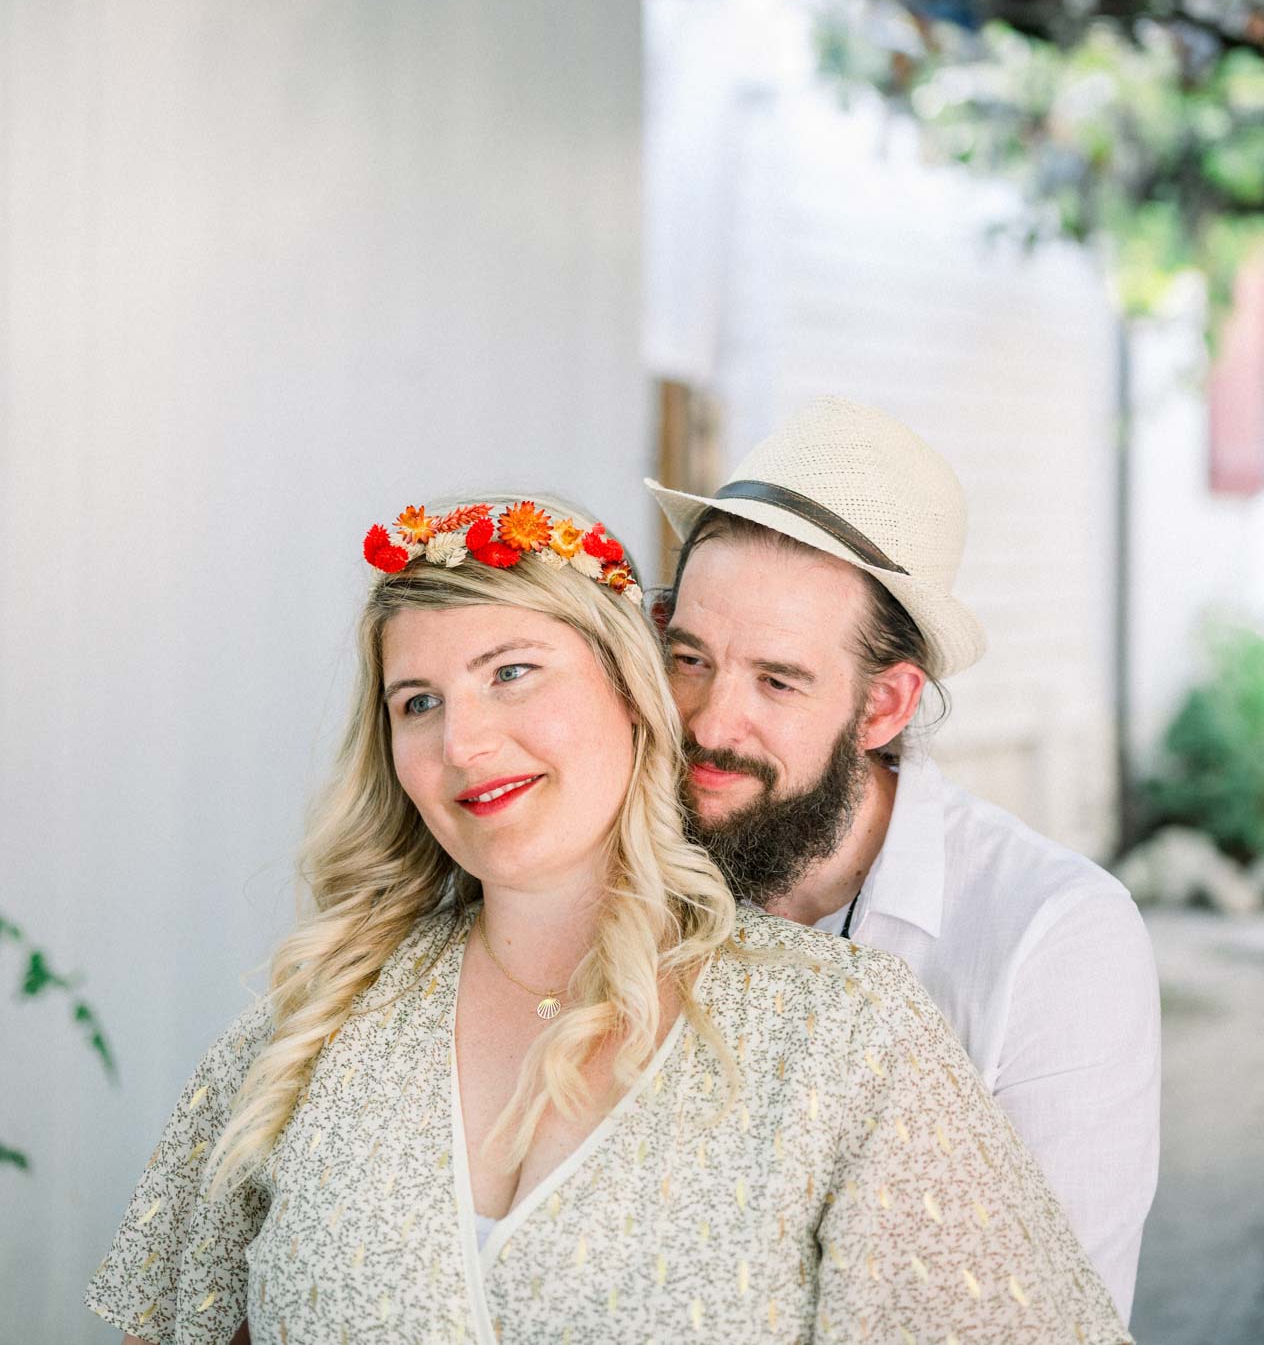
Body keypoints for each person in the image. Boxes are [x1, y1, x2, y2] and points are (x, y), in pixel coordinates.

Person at [87, 490, 1133, 1345]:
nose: (464, 741)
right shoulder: (310, 1027)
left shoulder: (850, 1029)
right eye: (418, 701)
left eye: (512, 673)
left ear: (628, 698)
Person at [648, 394, 1161, 1324]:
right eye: (689, 658)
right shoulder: (632, 861)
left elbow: (1052, 1313)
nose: (712, 723)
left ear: (885, 707)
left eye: (777, 679)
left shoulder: (1054, 936)